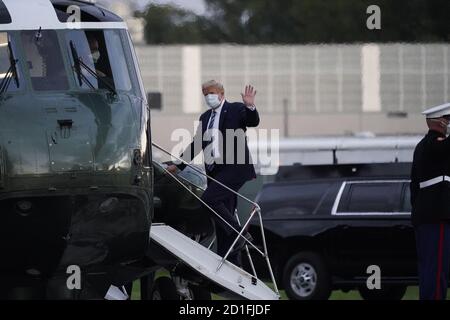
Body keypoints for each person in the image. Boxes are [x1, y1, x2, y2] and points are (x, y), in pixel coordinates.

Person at [168, 80, 260, 266]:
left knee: (209, 199)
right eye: (204, 94)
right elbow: (197, 144)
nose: (207, 97)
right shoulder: (204, 118)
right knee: (221, 220)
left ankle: (240, 234)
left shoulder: (235, 109)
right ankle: (233, 265)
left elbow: (252, 121)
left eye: (210, 92)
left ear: (221, 93)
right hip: (216, 173)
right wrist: (179, 165)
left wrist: (250, 107)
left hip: (235, 168)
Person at [411, 102, 450, 300]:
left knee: (432, 271)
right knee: (436, 273)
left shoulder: (424, 147)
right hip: (436, 217)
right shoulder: (433, 144)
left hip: (429, 218)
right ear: (441, 122)